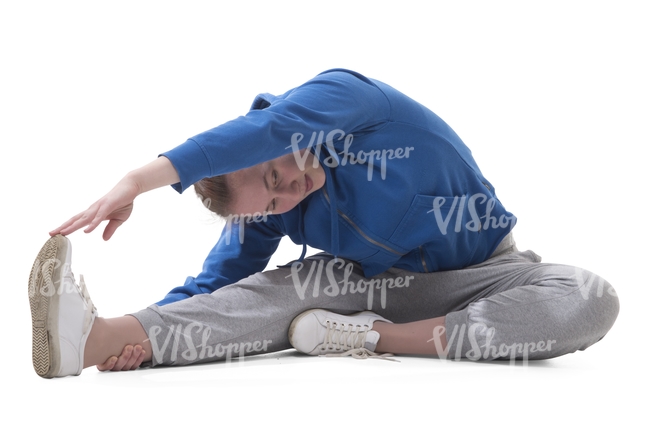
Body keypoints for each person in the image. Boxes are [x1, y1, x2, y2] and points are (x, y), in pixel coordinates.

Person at [28, 69, 619, 378]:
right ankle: (92, 337)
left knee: (590, 297)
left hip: (485, 278)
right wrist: (143, 336)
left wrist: (138, 181)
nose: (286, 192)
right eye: (268, 204)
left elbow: (271, 127)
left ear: (275, 136)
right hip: (369, 290)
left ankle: (363, 339)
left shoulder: (348, 99)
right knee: (288, 287)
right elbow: (221, 283)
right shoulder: (270, 209)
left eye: (275, 172)